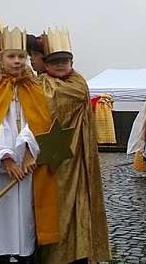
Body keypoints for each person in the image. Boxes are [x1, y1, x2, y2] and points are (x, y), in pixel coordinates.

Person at [0, 27, 60, 263]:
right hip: (5, 169)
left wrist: (30, 153)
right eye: (11, 56)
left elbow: (39, 123)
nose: (16, 61)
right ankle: (0, 255)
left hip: (27, 167)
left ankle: (26, 255)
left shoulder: (35, 88)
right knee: (2, 216)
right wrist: (6, 157)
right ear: (0, 58)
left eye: (21, 56)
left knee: (26, 214)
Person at [35, 28, 111, 264]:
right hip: (50, 159)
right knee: (53, 207)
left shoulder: (79, 83)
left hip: (77, 158)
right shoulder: (41, 85)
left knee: (79, 205)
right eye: (55, 61)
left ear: (72, 62)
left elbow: (75, 93)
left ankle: (81, 250)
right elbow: (49, 105)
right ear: (45, 64)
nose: (60, 65)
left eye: (65, 61)